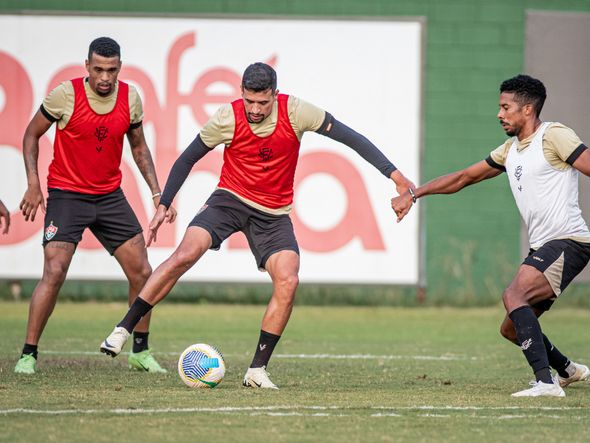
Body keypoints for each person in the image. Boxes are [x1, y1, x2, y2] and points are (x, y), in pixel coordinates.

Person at [100, 62, 415, 389]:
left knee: (289, 279)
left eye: (262, 103)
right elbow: (187, 158)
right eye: (249, 101)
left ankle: (256, 371)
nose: (254, 109)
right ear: (242, 94)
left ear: (274, 96)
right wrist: (164, 204)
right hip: (229, 200)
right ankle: (123, 329)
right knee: (185, 254)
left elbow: (352, 138)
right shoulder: (228, 117)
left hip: (273, 215)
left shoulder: (296, 112)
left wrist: (395, 176)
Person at [391, 74, 590, 397]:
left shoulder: (554, 135)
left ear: (527, 109)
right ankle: (568, 369)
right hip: (545, 246)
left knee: (513, 296)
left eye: (505, 107)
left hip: (569, 241)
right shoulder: (510, 150)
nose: (499, 114)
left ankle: (545, 383)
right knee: (511, 328)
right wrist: (414, 194)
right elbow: (464, 178)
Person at [14, 37, 176, 375]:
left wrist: (157, 193)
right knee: (55, 271)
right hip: (67, 195)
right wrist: (33, 183)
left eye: (112, 70)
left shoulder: (130, 98)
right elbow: (31, 134)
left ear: (119, 68)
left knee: (143, 272)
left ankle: (140, 352)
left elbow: (140, 148)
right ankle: (28, 354)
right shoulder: (65, 95)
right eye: (99, 69)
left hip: (109, 197)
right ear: (87, 66)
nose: (105, 77)